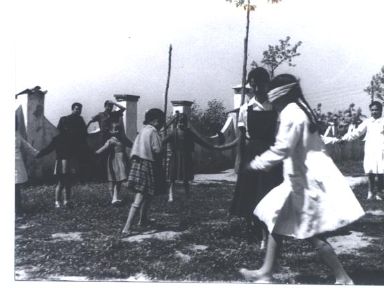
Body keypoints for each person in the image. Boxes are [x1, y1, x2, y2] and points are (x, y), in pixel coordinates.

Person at [239, 74, 365, 284]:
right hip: (300, 179)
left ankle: (342, 277)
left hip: (305, 183)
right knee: (276, 219)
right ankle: (266, 272)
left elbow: (282, 148)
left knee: (312, 233)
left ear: (281, 95)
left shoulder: (291, 113)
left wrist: (255, 164)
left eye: (273, 96)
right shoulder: (299, 109)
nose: (272, 101)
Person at [231, 67, 283, 247]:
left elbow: (279, 135)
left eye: (260, 85)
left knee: (268, 192)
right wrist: (238, 159)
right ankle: (252, 229)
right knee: (250, 192)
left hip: (270, 153)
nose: (256, 89)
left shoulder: (275, 107)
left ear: (266, 84)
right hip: (251, 154)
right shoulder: (246, 109)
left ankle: (266, 235)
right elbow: (241, 138)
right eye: (253, 85)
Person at [121, 108, 165, 235]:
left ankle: (143, 220)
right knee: (140, 196)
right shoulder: (154, 132)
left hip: (137, 164)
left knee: (148, 194)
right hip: (147, 164)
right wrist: (162, 141)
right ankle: (127, 228)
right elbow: (157, 150)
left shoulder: (143, 130)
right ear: (156, 121)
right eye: (161, 121)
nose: (162, 124)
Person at [163, 112, 217, 202]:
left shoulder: (189, 133)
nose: (181, 124)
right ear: (177, 122)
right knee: (172, 178)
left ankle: (187, 195)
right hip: (175, 157)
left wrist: (213, 147)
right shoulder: (173, 133)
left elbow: (200, 141)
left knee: (186, 178)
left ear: (186, 123)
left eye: (183, 122)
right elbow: (163, 141)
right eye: (180, 122)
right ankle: (170, 195)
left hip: (185, 157)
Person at [341, 101, 384, 200]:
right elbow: (357, 132)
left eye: (376, 110)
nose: (374, 112)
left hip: (382, 148)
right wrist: (344, 138)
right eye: (372, 110)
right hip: (371, 148)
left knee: (381, 171)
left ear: (381, 110)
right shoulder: (368, 122)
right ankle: (370, 192)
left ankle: (379, 192)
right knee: (370, 171)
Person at [36, 120, 77, 208]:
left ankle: (67, 201)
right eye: (65, 126)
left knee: (68, 183)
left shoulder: (72, 139)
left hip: (69, 162)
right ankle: (57, 201)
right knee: (61, 183)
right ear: (61, 127)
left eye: (69, 126)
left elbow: (75, 151)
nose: (67, 128)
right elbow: (49, 149)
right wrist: (39, 154)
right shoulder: (57, 139)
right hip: (61, 163)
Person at [95, 122, 130, 206]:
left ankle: (115, 197)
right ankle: (113, 198)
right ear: (111, 131)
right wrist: (96, 153)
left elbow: (131, 144)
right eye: (115, 129)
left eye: (119, 129)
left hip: (122, 160)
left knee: (119, 181)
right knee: (115, 180)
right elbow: (104, 148)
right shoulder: (111, 140)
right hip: (115, 161)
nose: (118, 131)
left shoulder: (123, 139)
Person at [58, 102, 92, 181]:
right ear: (72, 109)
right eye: (77, 109)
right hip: (68, 146)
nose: (78, 111)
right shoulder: (64, 119)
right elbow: (59, 132)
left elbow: (84, 133)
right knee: (67, 165)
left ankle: (79, 178)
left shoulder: (80, 119)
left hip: (78, 145)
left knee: (79, 163)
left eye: (80, 110)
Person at [15, 118, 38, 215]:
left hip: (16, 163)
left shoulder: (16, 133)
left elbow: (26, 145)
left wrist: (37, 153)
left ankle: (18, 210)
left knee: (15, 187)